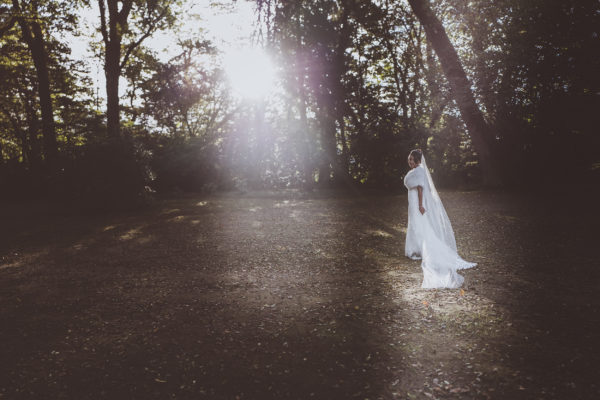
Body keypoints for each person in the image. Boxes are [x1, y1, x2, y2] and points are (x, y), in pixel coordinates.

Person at [403, 149, 476, 288]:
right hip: (412, 201)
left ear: (417, 160)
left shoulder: (418, 171)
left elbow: (420, 189)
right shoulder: (417, 171)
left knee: (419, 225)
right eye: (409, 159)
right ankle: (416, 248)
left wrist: (420, 204)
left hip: (417, 202)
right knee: (415, 224)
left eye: (411, 159)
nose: (409, 161)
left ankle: (418, 249)